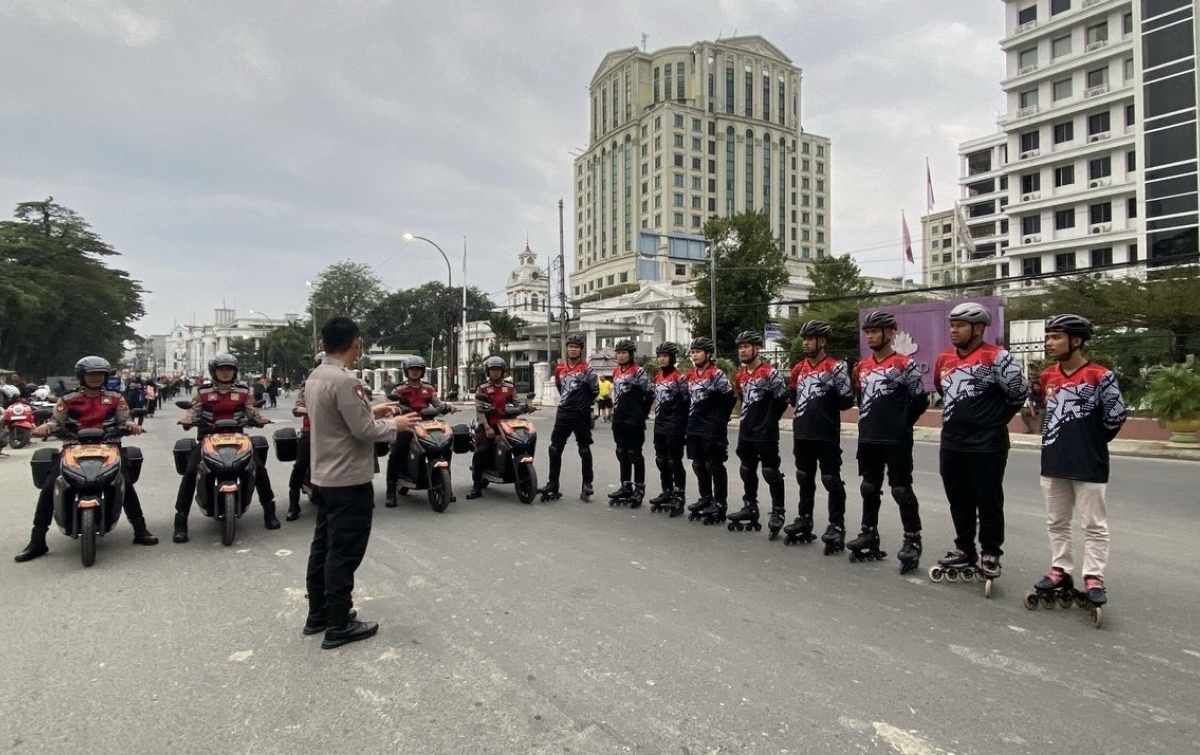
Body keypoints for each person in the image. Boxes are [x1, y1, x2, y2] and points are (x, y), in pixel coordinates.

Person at [304, 317, 415, 648]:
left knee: (323, 547)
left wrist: (375, 410)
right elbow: (363, 431)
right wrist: (395, 423)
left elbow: (342, 418)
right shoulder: (344, 380)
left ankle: (319, 615)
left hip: (325, 475)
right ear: (356, 343)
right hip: (349, 478)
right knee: (344, 553)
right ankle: (338, 625)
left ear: (323, 343)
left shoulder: (316, 376)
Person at [14, 356, 157, 562]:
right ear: (82, 376)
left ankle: (140, 530)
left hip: (108, 446)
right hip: (74, 446)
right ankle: (37, 540)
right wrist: (44, 427)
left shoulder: (116, 397)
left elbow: (124, 418)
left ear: (106, 376)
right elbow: (56, 421)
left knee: (124, 482)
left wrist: (131, 425)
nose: (96, 378)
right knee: (50, 485)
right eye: (91, 374)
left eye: (100, 374)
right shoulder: (68, 398)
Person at [1033, 314, 1126, 606]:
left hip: (1089, 464)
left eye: (1056, 337)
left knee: (1093, 525)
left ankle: (1093, 576)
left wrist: (1090, 443)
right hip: (1053, 461)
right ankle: (1060, 568)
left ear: (1076, 341)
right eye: (1048, 337)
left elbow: (1115, 417)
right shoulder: (1047, 376)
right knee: (1056, 521)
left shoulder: (1100, 376)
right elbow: (1044, 413)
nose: (1049, 342)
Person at [934, 302, 1029, 581]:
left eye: (960, 325)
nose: (953, 330)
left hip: (988, 444)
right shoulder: (944, 359)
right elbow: (942, 390)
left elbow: (1018, 392)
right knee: (958, 499)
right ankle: (964, 547)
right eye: (952, 324)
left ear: (978, 329)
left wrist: (994, 419)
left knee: (987, 499)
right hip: (952, 442)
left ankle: (990, 552)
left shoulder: (997, 357)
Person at [172, 353, 279, 543]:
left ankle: (269, 513)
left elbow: (252, 410)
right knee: (190, 472)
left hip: (238, 438)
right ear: (214, 372)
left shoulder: (244, 391)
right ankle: (180, 522)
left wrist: (259, 419)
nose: (225, 373)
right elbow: (193, 412)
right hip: (209, 438)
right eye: (221, 369)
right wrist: (187, 420)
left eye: (229, 369)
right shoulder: (203, 392)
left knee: (259, 469)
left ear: (234, 372)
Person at [851, 311, 928, 570]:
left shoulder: (905, 365)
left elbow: (920, 400)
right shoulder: (861, 367)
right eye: (868, 332)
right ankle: (868, 532)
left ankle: (912, 539)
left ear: (890, 333)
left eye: (875, 331)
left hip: (896, 439)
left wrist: (903, 423)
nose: (870, 336)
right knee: (868, 487)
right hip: (868, 437)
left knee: (901, 489)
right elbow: (861, 398)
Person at [785, 320, 855, 551]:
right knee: (804, 477)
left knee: (830, 479)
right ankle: (804, 518)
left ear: (822, 341)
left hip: (826, 434)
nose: (805, 343)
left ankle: (836, 525)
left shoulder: (835, 368)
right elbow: (793, 398)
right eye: (804, 339)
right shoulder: (798, 369)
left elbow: (846, 400)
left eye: (810, 339)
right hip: (802, 433)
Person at [729, 331, 790, 536]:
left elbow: (782, 399)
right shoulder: (740, 375)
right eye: (740, 347)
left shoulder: (770, 373)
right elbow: (741, 398)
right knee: (746, 469)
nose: (742, 350)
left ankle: (778, 511)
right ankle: (750, 505)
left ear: (757, 348)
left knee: (770, 471)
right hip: (746, 429)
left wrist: (769, 419)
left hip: (766, 431)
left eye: (746, 346)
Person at [384, 356, 454, 507]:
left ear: (422, 372)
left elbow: (438, 404)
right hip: (407, 425)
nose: (415, 372)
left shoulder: (429, 388)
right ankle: (390, 491)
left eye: (418, 369)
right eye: (412, 369)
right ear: (406, 371)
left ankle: (446, 485)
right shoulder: (399, 389)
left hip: (427, 424)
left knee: (445, 446)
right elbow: (393, 405)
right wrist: (401, 409)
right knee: (397, 452)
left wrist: (448, 407)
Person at [540, 332, 599, 501]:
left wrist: (582, 404)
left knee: (584, 449)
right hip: (563, 412)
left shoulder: (588, 370)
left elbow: (594, 391)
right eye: (570, 347)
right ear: (566, 349)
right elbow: (561, 388)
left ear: (581, 350)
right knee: (554, 448)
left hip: (581, 414)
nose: (573, 350)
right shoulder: (560, 368)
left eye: (576, 347)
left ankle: (587, 483)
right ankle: (553, 483)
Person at [684, 336, 737, 524]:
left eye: (698, 352)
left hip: (712, 427)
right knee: (698, 464)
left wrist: (720, 418)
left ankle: (720, 502)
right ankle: (705, 498)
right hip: (694, 426)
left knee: (714, 465)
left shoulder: (717, 374)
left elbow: (730, 397)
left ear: (708, 354)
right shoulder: (690, 375)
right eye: (692, 352)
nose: (694, 355)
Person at [466, 356, 530, 499]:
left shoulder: (509, 387)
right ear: (488, 372)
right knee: (481, 451)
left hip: (506, 425)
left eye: (498, 370)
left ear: (503, 371)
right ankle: (476, 487)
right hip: (488, 426)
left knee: (522, 442)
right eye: (493, 370)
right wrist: (487, 428)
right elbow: (480, 410)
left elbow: (517, 403)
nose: (495, 372)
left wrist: (526, 407)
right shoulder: (482, 388)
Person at [606, 339, 654, 507]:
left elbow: (649, 394)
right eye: (618, 353)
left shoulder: (638, 371)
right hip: (619, 418)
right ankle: (625, 485)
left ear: (631, 354)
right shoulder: (616, 371)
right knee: (622, 452)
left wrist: (642, 413)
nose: (620, 355)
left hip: (634, 419)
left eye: (624, 352)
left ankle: (639, 488)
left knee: (635, 453)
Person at [648, 342, 689, 516]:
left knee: (674, 461)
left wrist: (683, 426)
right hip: (660, 425)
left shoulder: (679, 378)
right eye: (659, 356)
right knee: (661, 460)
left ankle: (679, 496)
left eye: (665, 356)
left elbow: (686, 402)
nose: (662, 359)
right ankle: (667, 491)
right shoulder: (658, 376)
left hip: (675, 426)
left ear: (672, 358)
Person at [286, 353, 324, 521]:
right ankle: (293, 503)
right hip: (312, 431)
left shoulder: (344, 384)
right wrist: (312, 411)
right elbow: (297, 408)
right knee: (301, 463)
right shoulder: (307, 386)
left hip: (337, 433)